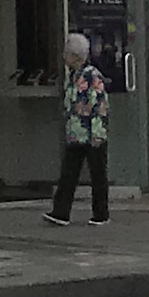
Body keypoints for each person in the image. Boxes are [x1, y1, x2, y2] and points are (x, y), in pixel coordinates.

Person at [44, 32, 111, 226]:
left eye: (67, 54)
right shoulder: (73, 76)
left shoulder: (91, 76)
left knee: (97, 174)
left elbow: (100, 106)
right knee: (68, 173)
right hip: (76, 133)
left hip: (91, 133)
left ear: (76, 56)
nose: (64, 57)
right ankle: (60, 212)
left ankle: (101, 214)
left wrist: (98, 133)